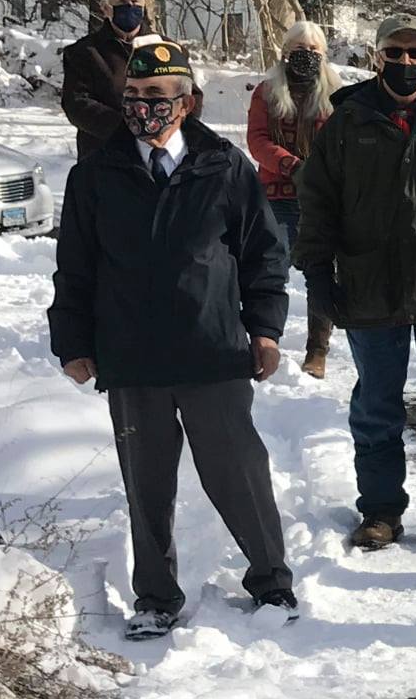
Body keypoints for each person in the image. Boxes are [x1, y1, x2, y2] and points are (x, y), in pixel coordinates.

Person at [47, 39, 297, 639]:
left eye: (156, 96)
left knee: (238, 472)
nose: (142, 107)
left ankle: (271, 581)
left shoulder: (224, 166)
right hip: (131, 355)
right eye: (133, 95)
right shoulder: (96, 172)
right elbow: (75, 266)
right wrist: (72, 342)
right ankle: (156, 597)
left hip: (211, 349)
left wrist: (264, 329)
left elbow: (263, 253)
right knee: (147, 485)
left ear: (187, 103)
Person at [292, 14, 416, 550]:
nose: (407, 62)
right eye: (396, 52)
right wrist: (318, 273)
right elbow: (316, 202)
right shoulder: (346, 123)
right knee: (376, 408)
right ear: (378, 57)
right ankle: (381, 511)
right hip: (370, 287)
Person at [246, 20, 345, 377]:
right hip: (277, 195)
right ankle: (264, 339)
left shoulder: (336, 94)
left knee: (322, 270)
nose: (306, 57)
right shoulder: (267, 92)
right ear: (285, 52)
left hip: (322, 197)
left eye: (314, 50)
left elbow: (343, 142)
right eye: (299, 50)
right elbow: (257, 140)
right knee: (271, 269)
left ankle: (317, 350)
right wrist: (290, 165)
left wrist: (323, 174)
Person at [61, 0, 153, 158]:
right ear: (105, 8)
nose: (130, 6)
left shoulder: (164, 48)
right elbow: (76, 103)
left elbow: (189, 96)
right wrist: (126, 129)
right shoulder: (84, 52)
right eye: (120, 0)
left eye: (136, 0)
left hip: (156, 154)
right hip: (104, 155)